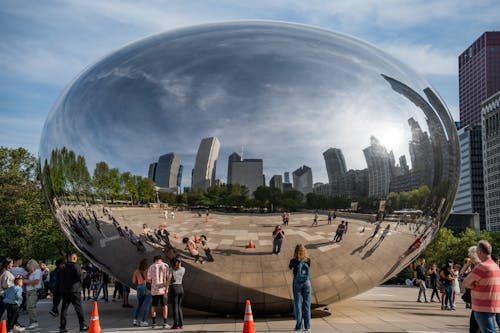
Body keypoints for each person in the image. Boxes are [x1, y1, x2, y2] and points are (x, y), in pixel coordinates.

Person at [462, 240, 500, 333]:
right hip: (494, 304)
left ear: (479, 252)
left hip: (482, 306)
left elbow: (465, 283)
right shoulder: (495, 266)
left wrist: (473, 285)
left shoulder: (481, 267)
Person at [58, 253, 88, 333]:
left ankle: (62, 327)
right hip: (75, 291)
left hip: (65, 291)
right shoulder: (76, 266)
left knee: (64, 310)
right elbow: (80, 277)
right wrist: (84, 273)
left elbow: (60, 278)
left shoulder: (62, 267)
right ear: (74, 258)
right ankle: (82, 325)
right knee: (78, 308)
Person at [288, 244, 311, 331]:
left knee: (298, 304)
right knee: (307, 304)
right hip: (307, 282)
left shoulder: (293, 260)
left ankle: (298, 326)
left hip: (297, 282)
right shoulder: (308, 260)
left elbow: (290, 267)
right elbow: (308, 267)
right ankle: (307, 326)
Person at [147, 255, 171, 329]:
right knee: (165, 306)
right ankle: (165, 323)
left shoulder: (151, 266)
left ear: (155, 260)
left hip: (154, 290)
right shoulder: (166, 265)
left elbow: (149, 278)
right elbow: (168, 277)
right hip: (163, 290)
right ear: (161, 259)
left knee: (154, 306)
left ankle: (154, 323)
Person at [132, 259, 151, 327]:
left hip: (139, 287)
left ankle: (135, 320)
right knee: (146, 305)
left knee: (139, 304)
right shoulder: (148, 270)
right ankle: (143, 321)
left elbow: (134, 281)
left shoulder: (136, 271)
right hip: (147, 288)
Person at [24, 259, 42, 329]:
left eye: (29, 266)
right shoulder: (33, 271)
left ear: (33, 265)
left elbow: (36, 281)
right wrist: (29, 273)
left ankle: (34, 322)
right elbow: (26, 277)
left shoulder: (37, 271)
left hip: (33, 291)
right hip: (30, 291)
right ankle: (32, 322)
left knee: (31, 307)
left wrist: (26, 281)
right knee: (29, 307)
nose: (28, 268)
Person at [170, 257, 185, 329]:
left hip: (174, 288)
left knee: (175, 307)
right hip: (181, 288)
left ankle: (176, 324)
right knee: (179, 307)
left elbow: (169, 279)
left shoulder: (171, 269)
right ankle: (181, 324)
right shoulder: (183, 269)